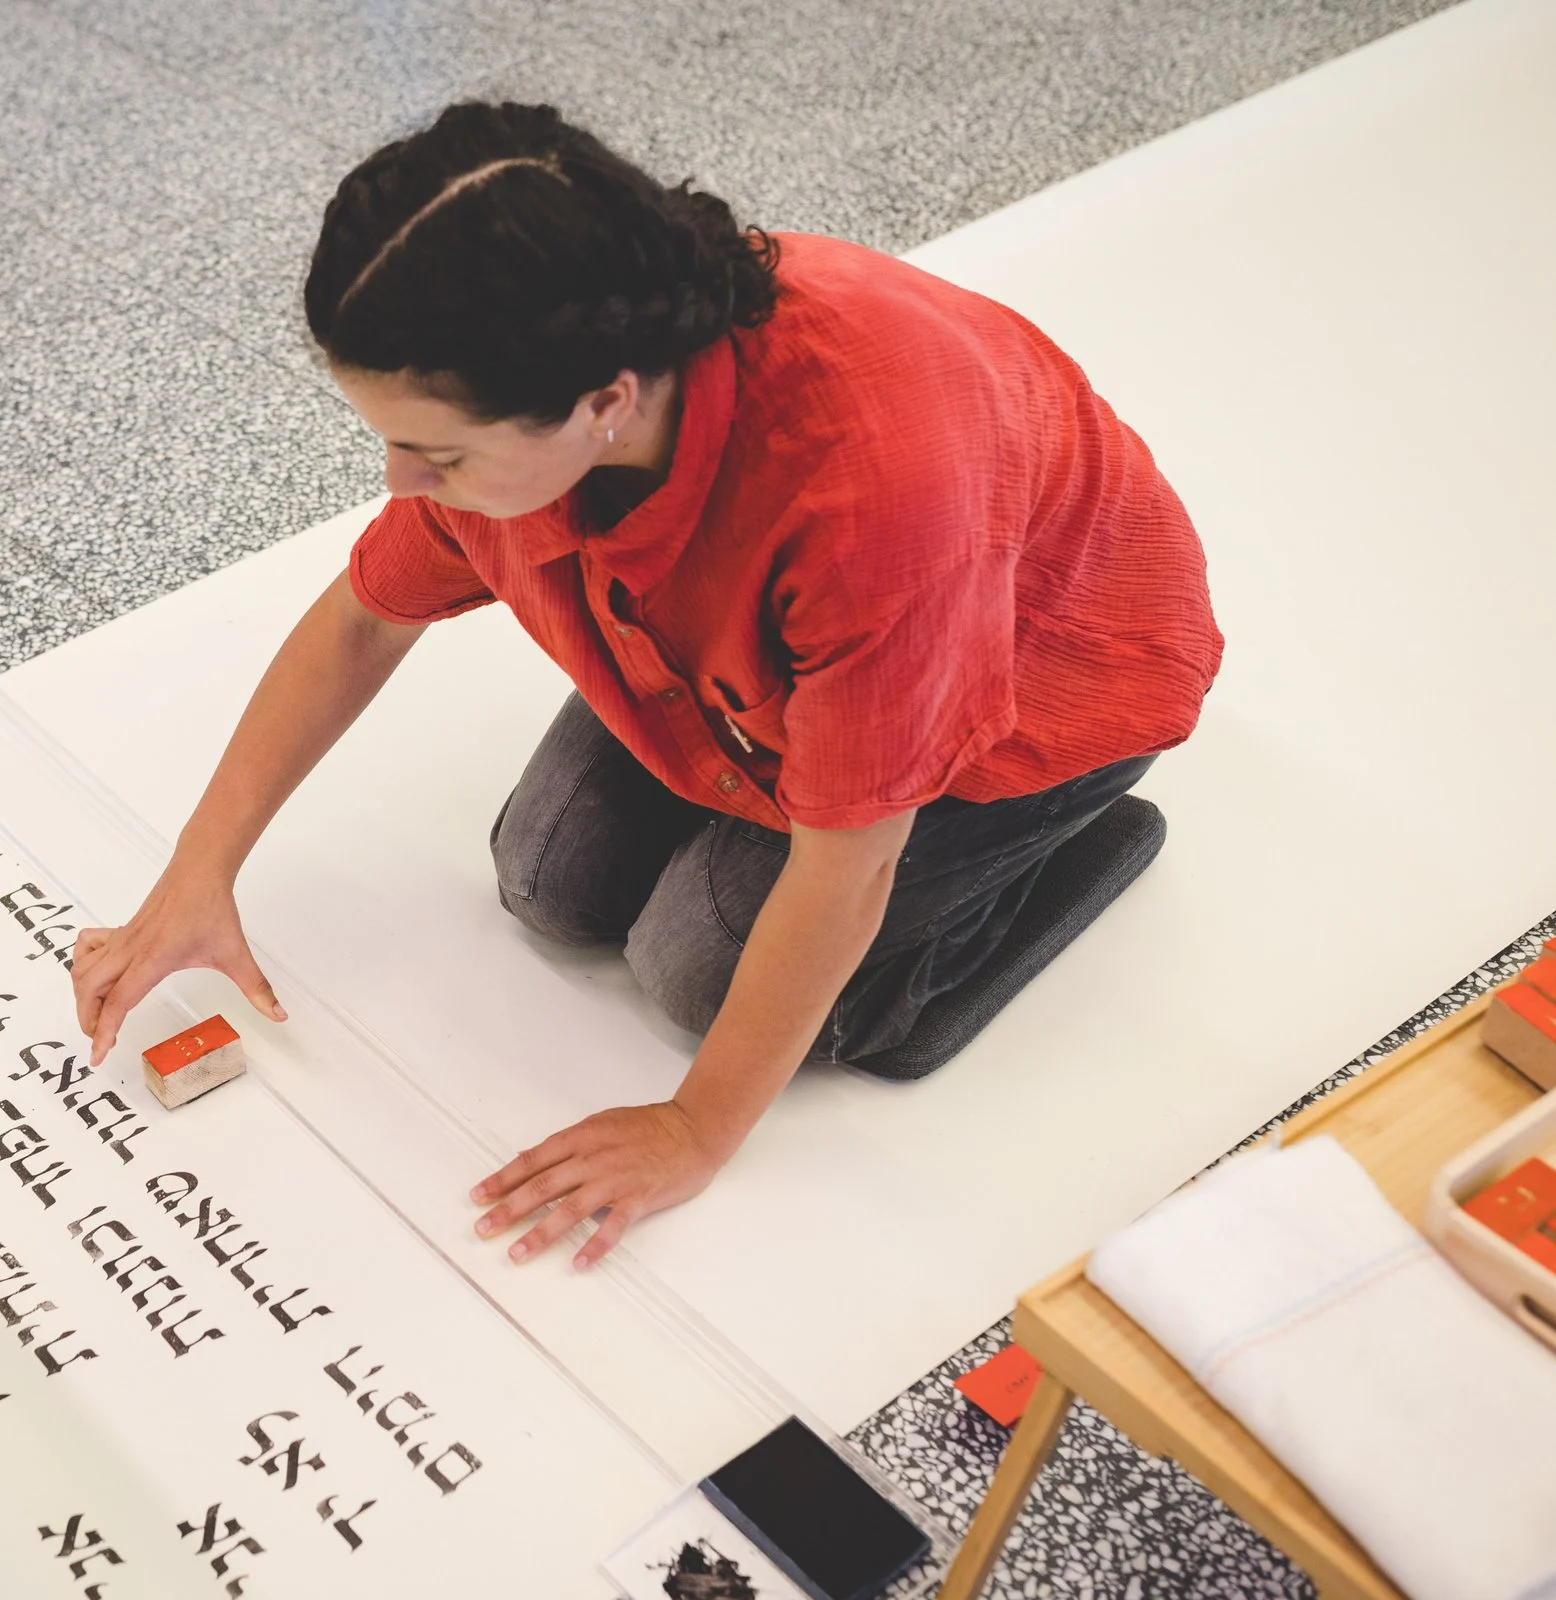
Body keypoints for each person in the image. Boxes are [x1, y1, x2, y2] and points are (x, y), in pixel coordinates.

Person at [70, 102, 1222, 1272]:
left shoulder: (874, 494)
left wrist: (694, 1126)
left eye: (443, 455)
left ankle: (1062, 856)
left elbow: (850, 862)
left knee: (693, 968)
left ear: (603, 402)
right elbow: (365, 620)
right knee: (545, 880)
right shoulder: (569, 365)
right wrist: (194, 876)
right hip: (748, 688)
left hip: (1030, 701)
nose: (400, 480)